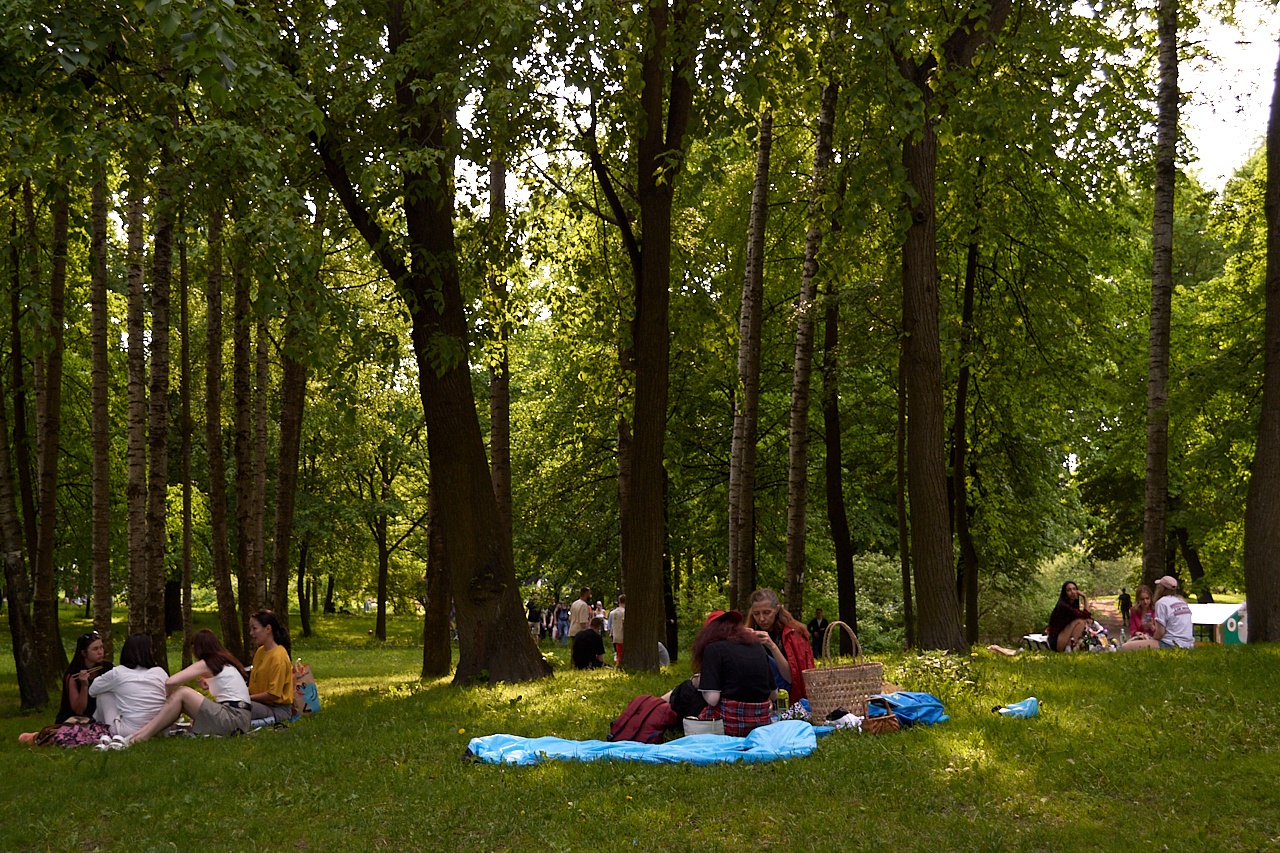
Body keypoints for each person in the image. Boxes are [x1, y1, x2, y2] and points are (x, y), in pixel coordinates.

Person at [128, 629, 251, 743]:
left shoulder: (207, 662)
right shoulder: (223, 662)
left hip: (233, 718)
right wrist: (208, 684)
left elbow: (170, 682)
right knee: (182, 697)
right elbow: (227, 687)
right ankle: (143, 733)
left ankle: (143, 735)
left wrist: (169, 696)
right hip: (240, 719)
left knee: (182, 692)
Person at [691, 610, 776, 737]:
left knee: (686, 689)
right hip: (761, 724)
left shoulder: (713, 648)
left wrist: (700, 683)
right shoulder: (757, 646)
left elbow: (712, 700)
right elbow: (774, 694)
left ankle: (657, 705)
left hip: (729, 725)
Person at [87, 632, 168, 738]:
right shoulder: (160, 672)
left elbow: (92, 690)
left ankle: (101, 728)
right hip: (159, 729)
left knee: (104, 694)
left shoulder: (118, 673)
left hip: (128, 732)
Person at [745, 588, 814, 702]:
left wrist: (771, 645)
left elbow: (791, 679)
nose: (761, 619)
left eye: (767, 613)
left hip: (787, 697)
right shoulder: (750, 631)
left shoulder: (793, 634)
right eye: (756, 614)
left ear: (777, 609)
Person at [247, 610, 294, 724]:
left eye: (254, 628)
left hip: (277, 709)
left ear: (268, 629)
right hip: (259, 704)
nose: (251, 633)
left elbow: (273, 693)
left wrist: (247, 698)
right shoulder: (260, 651)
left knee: (238, 707)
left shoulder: (279, 656)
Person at [57, 630, 113, 725]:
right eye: (95, 649)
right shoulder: (73, 675)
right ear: (84, 653)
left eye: (101, 647)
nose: (100, 652)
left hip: (101, 716)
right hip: (76, 720)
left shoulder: (108, 667)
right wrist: (84, 686)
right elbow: (79, 710)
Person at [1125, 576, 1193, 650]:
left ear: (1161, 589)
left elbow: (1160, 633)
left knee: (1125, 647)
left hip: (1170, 643)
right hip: (1188, 644)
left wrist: (1151, 641)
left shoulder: (1162, 603)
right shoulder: (1181, 601)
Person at [1047, 580, 1091, 652]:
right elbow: (1087, 615)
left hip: (1063, 637)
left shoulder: (1073, 605)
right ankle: (1069, 648)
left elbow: (1087, 615)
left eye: (1074, 589)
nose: (1073, 592)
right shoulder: (1063, 606)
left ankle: (1070, 647)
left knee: (1081, 621)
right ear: (1065, 593)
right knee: (1081, 621)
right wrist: (1084, 597)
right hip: (1056, 641)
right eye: (1069, 590)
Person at [609, 595, 626, 667]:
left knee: (619, 655)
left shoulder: (613, 612)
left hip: (616, 636)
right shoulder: (624, 612)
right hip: (623, 636)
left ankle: (618, 666)